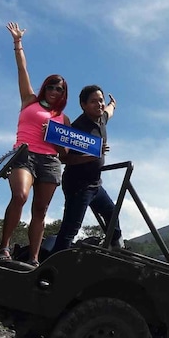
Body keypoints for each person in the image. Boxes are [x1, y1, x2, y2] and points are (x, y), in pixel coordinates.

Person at [0, 21, 69, 266]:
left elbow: (66, 151)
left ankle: (34, 258)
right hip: (25, 155)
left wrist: (56, 137)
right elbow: (22, 70)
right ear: (44, 88)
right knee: (20, 195)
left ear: (63, 94)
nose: (54, 90)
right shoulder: (29, 101)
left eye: (59, 88)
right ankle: (5, 247)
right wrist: (18, 43)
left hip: (50, 162)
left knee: (40, 211)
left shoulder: (63, 118)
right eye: (50, 86)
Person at [51, 84, 122, 252]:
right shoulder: (77, 128)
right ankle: (54, 265)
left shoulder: (102, 118)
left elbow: (109, 111)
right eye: (93, 101)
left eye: (101, 100)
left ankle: (115, 248)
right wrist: (93, 154)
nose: (99, 104)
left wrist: (113, 104)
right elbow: (64, 158)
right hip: (78, 186)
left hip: (95, 183)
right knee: (71, 229)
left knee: (112, 215)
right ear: (83, 105)